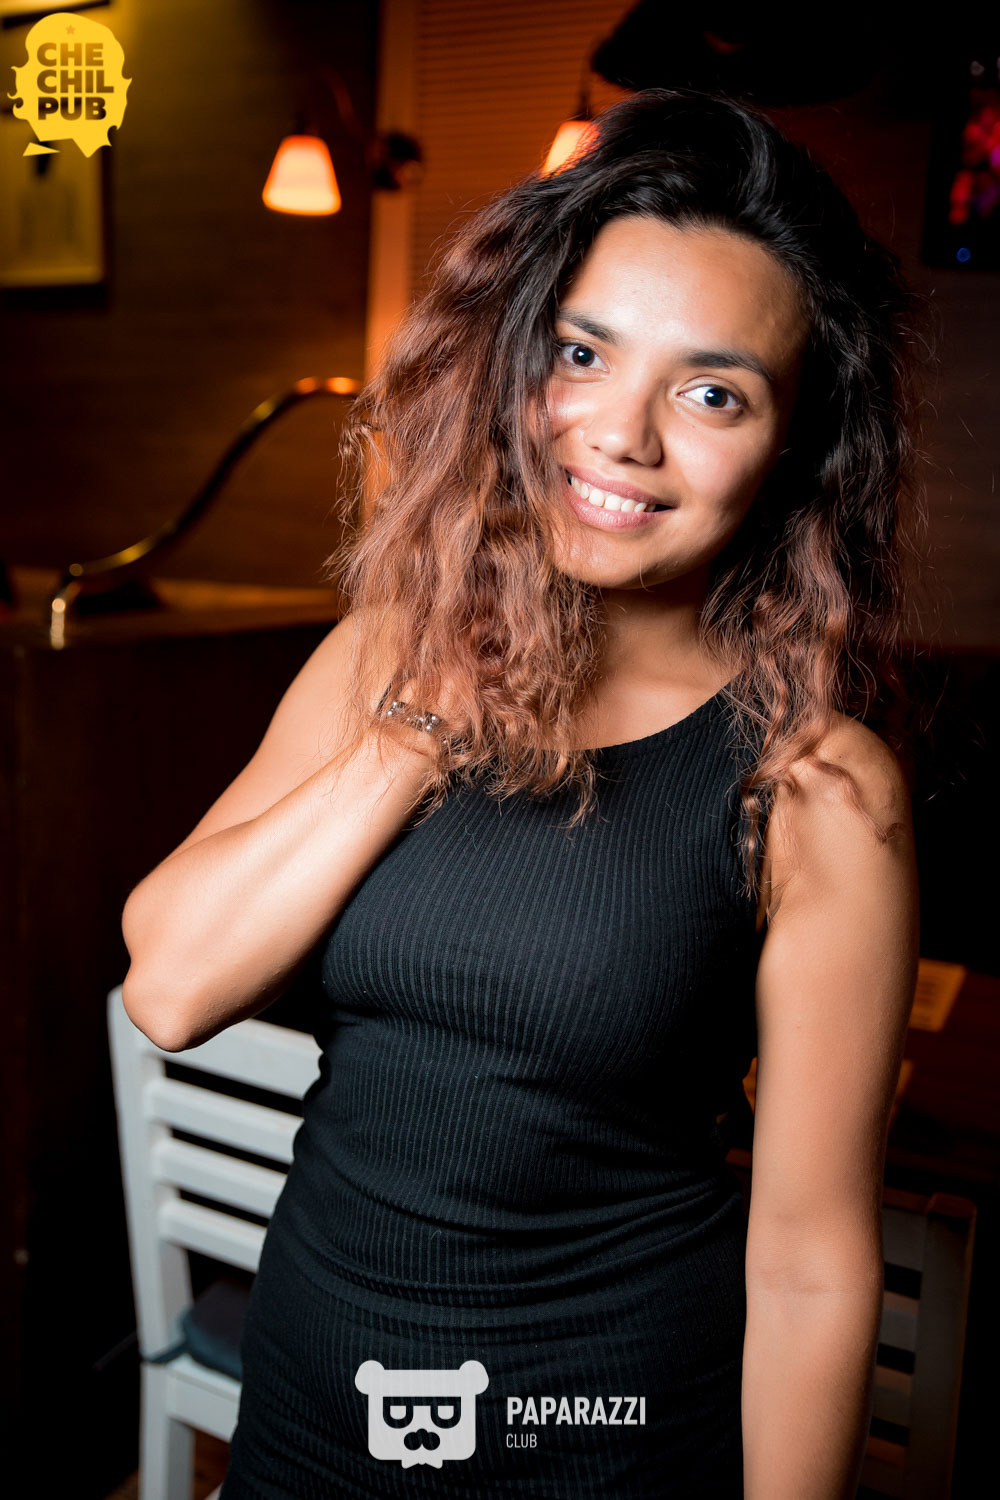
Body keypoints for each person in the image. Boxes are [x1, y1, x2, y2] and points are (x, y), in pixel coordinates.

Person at [121, 88, 922, 1499]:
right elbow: (173, 986)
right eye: (582, 353)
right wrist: (427, 715)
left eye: (713, 392)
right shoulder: (388, 653)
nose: (620, 433)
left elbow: (810, 1265)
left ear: (795, 447)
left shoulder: (814, 784)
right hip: (312, 1416)